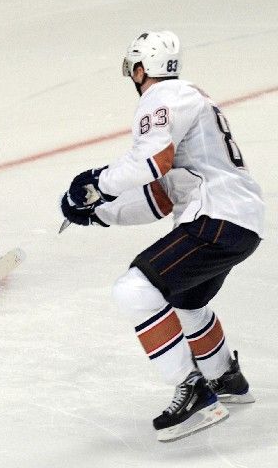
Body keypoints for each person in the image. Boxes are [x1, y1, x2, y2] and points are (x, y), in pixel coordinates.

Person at [60, 31, 264, 442]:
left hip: (217, 216)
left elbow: (152, 161)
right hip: (240, 221)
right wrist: (97, 212)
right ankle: (225, 376)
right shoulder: (190, 107)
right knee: (188, 301)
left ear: (141, 69)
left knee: (134, 291)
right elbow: (159, 196)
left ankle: (195, 395)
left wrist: (97, 183)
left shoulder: (162, 97)